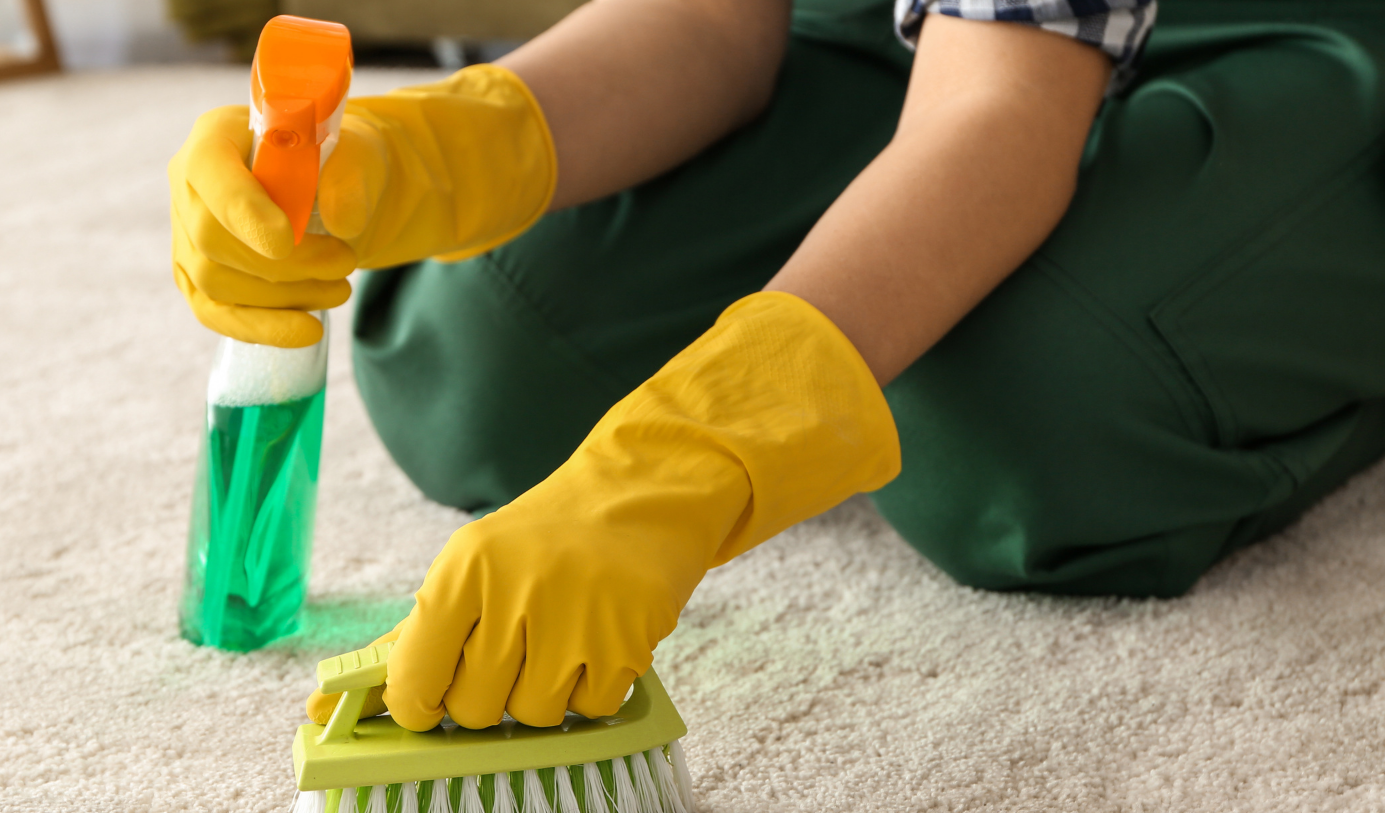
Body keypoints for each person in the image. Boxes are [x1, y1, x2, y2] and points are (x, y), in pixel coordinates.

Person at [169, 0, 1385, 733]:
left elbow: (1000, 105)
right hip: (923, 27)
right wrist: (429, 151)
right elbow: (708, 21)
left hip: (1287, 31)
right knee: (482, 359)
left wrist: (694, 450)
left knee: (1016, 419)